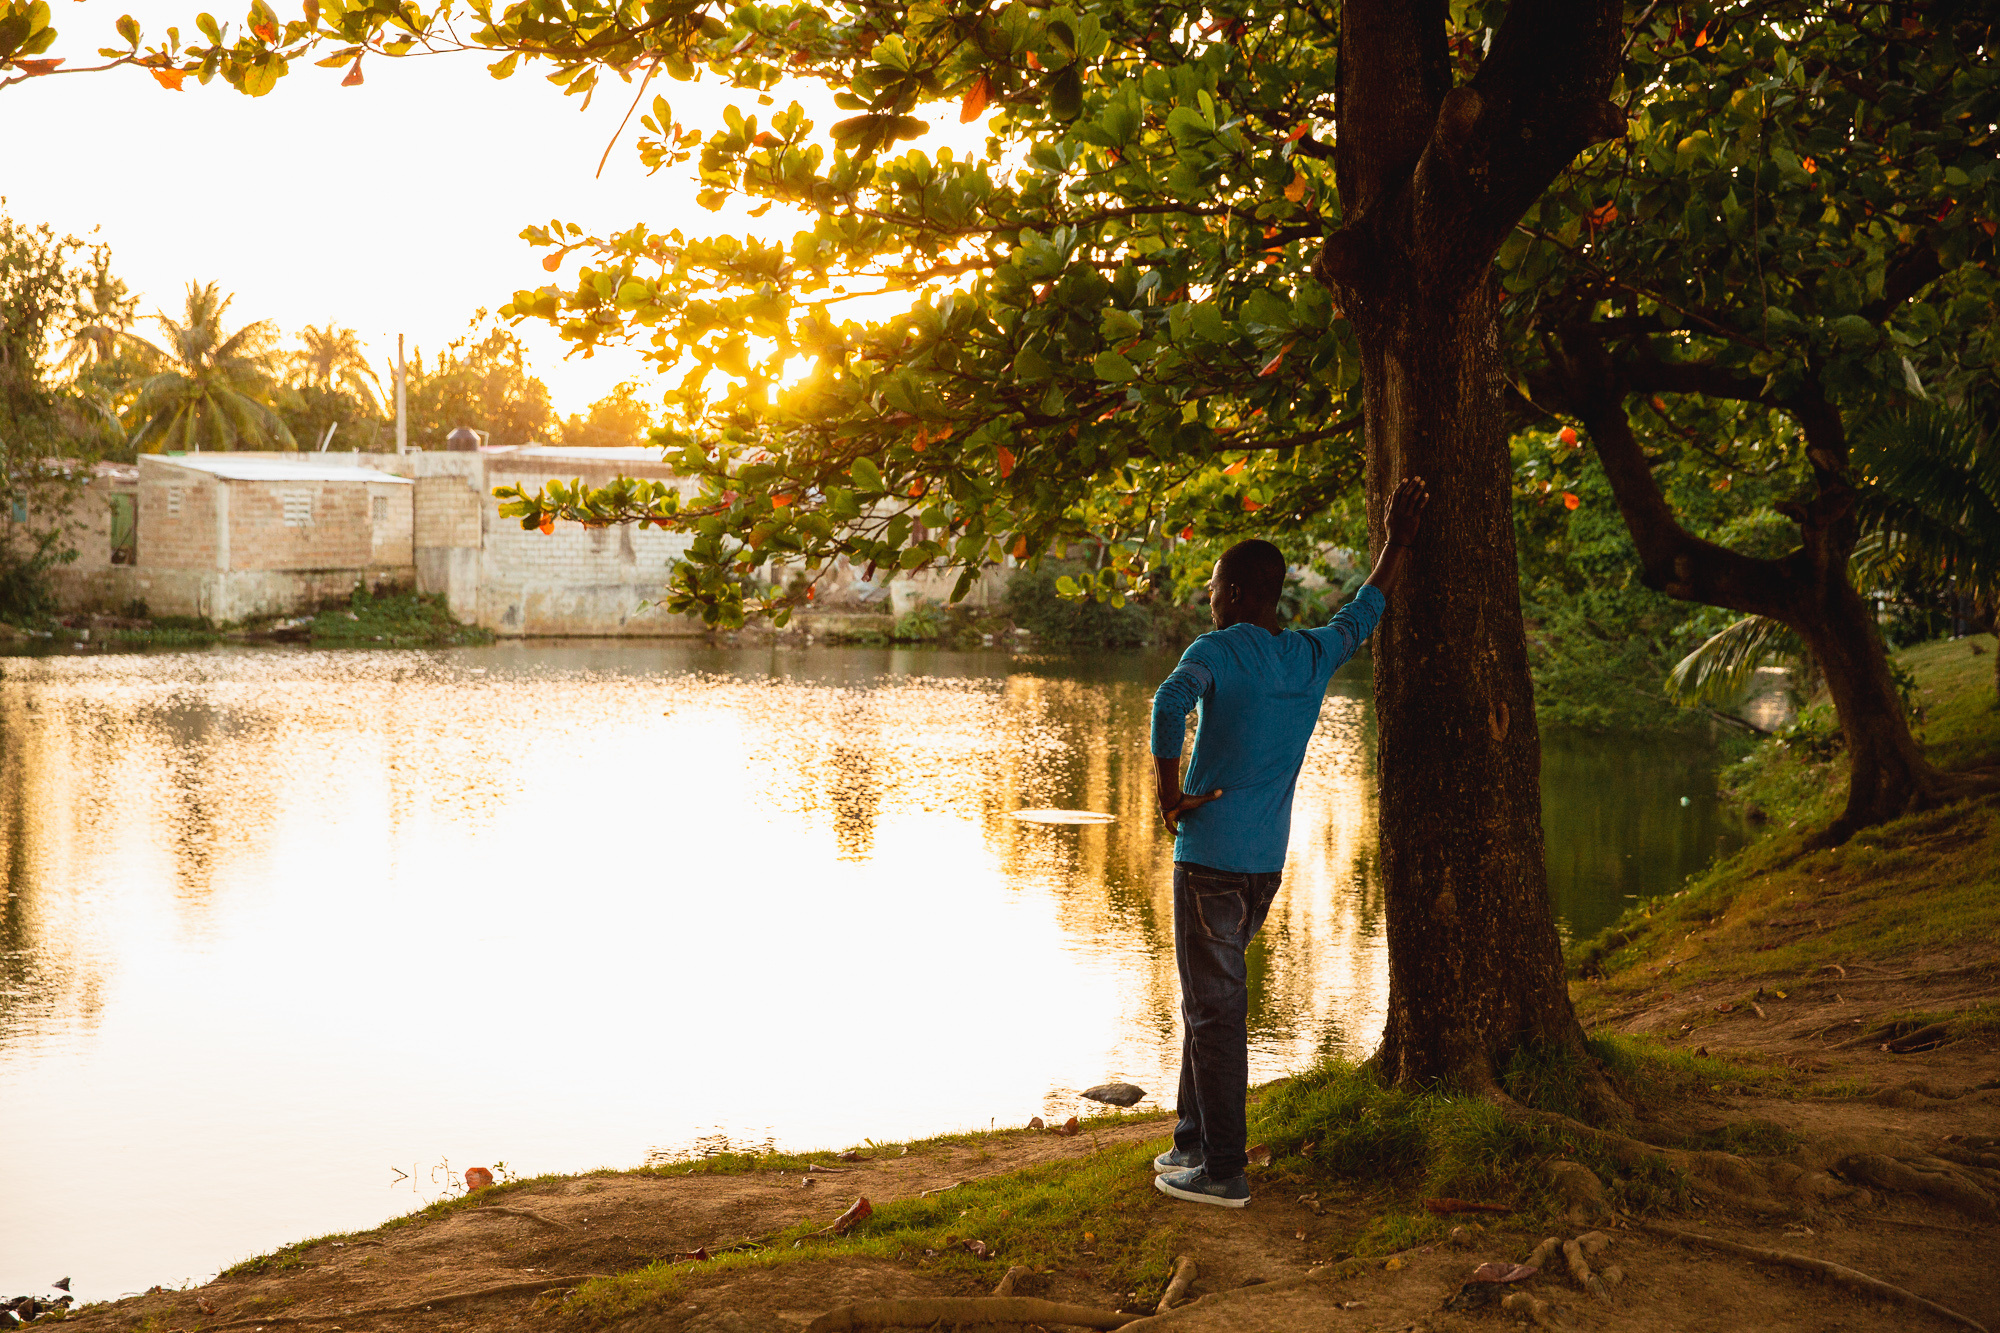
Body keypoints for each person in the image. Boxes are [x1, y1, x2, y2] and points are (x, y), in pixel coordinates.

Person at [1148, 476, 1430, 1208]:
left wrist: (1165, 791)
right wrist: (1396, 540)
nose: (1209, 599)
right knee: (1209, 1000)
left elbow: (1168, 700)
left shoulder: (1219, 648)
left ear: (1239, 593)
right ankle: (1190, 1139)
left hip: (1209, 858)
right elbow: (1365, 611)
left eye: (1215, 587)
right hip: (1263, 867)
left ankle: (1225, 1170)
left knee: (1214, 1009)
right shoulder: (1309, 655)